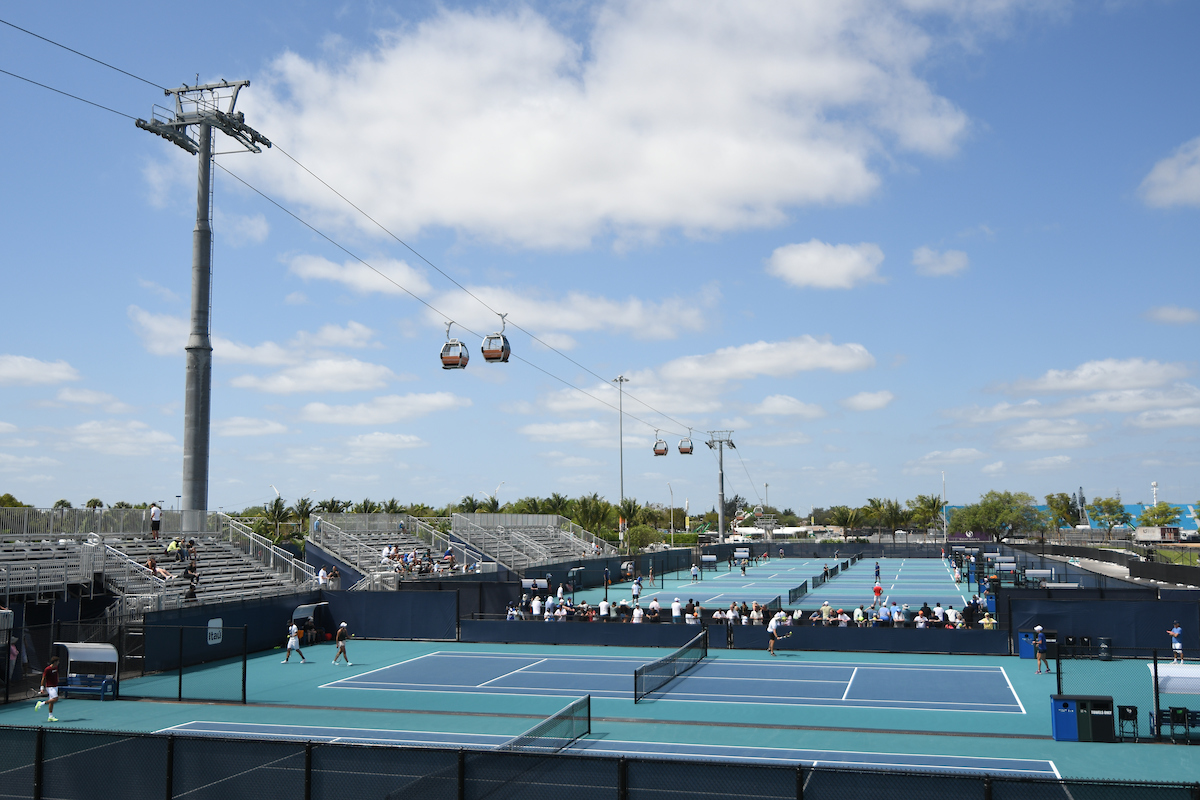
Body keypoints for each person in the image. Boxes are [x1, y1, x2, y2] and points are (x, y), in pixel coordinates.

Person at [35, 655, 61, 722]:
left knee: (51, 702)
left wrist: (57, 678)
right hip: (50, 687)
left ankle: (50, 716)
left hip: (55, 686)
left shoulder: (56, 667)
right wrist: (42, 688)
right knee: (55, 699)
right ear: (55, 662)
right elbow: (43, 678)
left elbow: (57, 673)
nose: (59, 662)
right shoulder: (47, 669)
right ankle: (41, 703)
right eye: (58, 661)